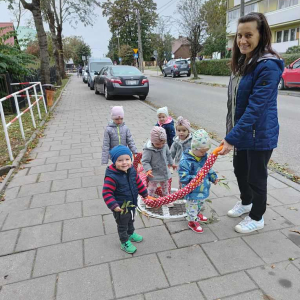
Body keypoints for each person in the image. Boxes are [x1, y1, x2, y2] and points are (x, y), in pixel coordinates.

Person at [219, 12, 284, 233]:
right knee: (240, 170)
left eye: (248, 35)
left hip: (259, 134)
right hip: (243, 132)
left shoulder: (268, 65)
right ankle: (246, 203)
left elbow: (256, 107)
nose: (242, 40)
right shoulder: (243, 62)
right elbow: (235, 102)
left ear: (261, 35)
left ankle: (257, 217)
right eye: (239, 35)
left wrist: (230, 138)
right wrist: (232, 132)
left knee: (256, 177)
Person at [102, 145, 148, 254]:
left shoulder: (131, 170)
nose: (124, 163)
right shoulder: (112, 177)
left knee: (131, 220)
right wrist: (114, 205)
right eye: (120, 160)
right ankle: (124, 242)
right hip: (120, 207)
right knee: (122, 225)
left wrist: (145, 194)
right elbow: (107, 193)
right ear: (114, 162)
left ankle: (131, 233)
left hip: (132, 204)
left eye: (127, 159)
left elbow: (138, 183)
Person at [179, 129, 218, 233]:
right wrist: (194, 179)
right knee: (192, 206)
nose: (204, 153)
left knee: (200, 203)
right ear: (194, 147)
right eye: (202, 151)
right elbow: (183, 177)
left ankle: (197, 214)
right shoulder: (186, 161)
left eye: (206, 151)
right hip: (192, 191)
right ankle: (192, 221)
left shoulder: (204, 157)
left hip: (203, 189)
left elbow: (208, 168)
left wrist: (213, 176)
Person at [141, 127, 176, 207]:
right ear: (152, 141)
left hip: (164, 172)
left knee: (165, 187)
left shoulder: (165, 146)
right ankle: (149, 200)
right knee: (152, 188)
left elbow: (168, 155)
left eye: (162, 143)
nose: (160, 146)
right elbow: (145, 161)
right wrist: (148, 169)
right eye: (157, 144)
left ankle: (166, 200)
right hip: (154, 173)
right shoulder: (148, 150)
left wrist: (171, 163)